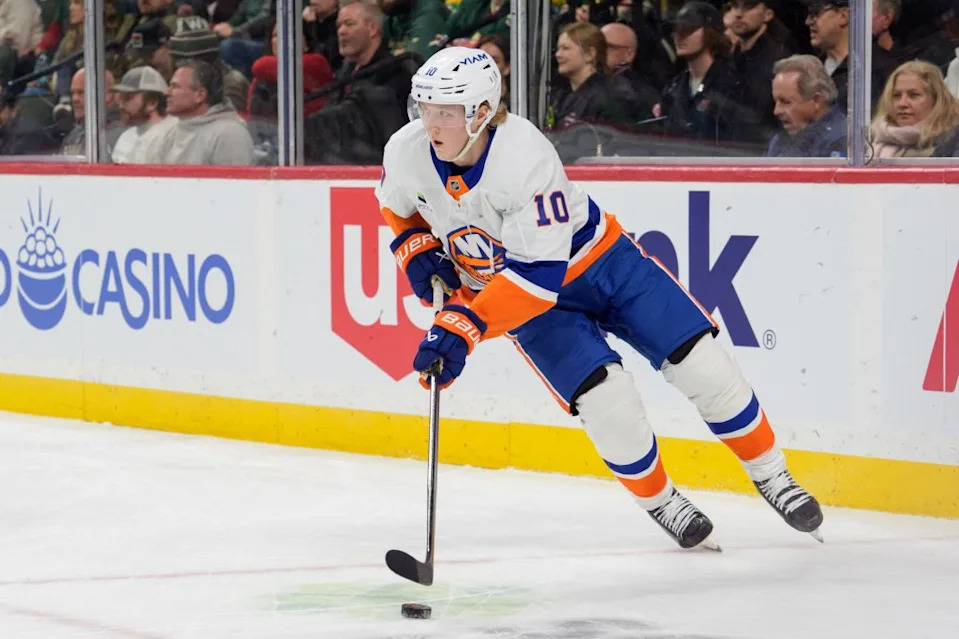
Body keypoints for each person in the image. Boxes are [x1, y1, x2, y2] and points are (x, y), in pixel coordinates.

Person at [377, 46, 824, 550]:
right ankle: (661, 501)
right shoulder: (406, 149)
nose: (429, 124)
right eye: (424, 108)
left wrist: (464, 326)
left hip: (600, 266)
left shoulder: (523, 157)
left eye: (445, 112)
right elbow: (397, 206)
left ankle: (771, 474)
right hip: (522, 297)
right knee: (606, 401)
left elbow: (536, 279)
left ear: (481, 112)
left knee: (702, 365)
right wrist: (415, 250)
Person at [870, 60, 959, 158]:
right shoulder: (867, 143)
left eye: (914, 95)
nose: (902, 103)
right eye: (897, 95)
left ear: (936, 100)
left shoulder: (953, 143)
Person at [766, 54, 846, 157]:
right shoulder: (780, 140)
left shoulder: (841, 141)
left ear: (816, 100)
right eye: (775, 102)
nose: (776, 111)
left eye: (786, 102)